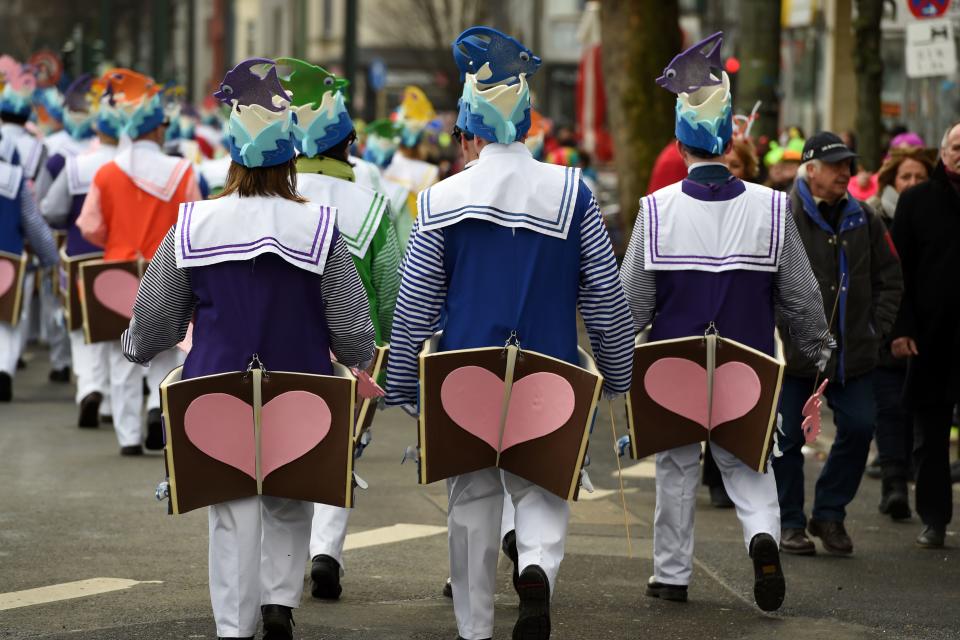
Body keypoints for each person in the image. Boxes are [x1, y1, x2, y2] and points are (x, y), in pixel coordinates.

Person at [386, 27, 633, 640]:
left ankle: (475, 626)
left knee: (471, 499)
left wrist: (398, 382)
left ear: (468, 126)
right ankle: (536, 567)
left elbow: (417, 299)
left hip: (462, 368)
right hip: (550, 363)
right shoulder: (574, 192)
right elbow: (603, 291)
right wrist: (619, 367)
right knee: (543, 483)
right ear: (526, 120)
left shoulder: (440, 198)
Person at [122, 57, 374, 640]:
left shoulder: (192, 224)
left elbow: (155, 318)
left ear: (232, 152)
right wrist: (355, 358)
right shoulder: (321, 227)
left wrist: (137, 349)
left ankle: (234, 629)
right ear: (291, 153)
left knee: (231, 515)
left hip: (215, 386)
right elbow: (352, 328)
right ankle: (280, 605)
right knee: (290, 500)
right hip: (302, 384)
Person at [621, 32, 830, 612]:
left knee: (677, 470)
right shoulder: (772, 205)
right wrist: (818, 348)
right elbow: (799, 294)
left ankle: (671, 575)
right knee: (750, 461)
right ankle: (762, 535)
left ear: (681, 140)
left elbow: (632, 303)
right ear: (727, 137)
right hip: (748, 359)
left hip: (674, 361)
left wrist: (617, 359)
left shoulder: (655, 209)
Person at [278, 56, 402, 601]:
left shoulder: (274, 200)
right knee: (340, 448)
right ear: (348, 145)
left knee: (281, 443)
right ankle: (325, 551)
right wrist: (387, 346)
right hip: (355, 350)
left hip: (282, 342)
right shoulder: (374, 204)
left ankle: (279, 564)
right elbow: (393, 281)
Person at [774, 132, 902, 556]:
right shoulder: (781, 216)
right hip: (796, 356)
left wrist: (874, 329)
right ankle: (791, 522)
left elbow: (890, 279)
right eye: (835, 166)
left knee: (862, 427)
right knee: (788, 439)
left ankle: (829, 513)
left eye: (848, 165)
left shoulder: (865, 218)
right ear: (810, 170)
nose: (845, 173)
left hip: (853, 356)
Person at [76, 68, 201, 455]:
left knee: (121, 356)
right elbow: (194, 222)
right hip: (168, 274)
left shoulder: (106, 173)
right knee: (166, 351)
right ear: (158, 130)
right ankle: (156, 411)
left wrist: (119, 239)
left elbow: (90, 227)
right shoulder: (182, 171)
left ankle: (128, 436)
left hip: (115, 273)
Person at [40, 73, 126, 427]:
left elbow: (50, 209)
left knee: (82, 328)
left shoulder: (77, 164)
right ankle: (110, 403)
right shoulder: (130, 167)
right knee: (119, 328)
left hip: (80, 256)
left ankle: (90, 387)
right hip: (122, 256)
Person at [890, 121, 960, 548]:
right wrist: (901, 330)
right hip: (932, 337)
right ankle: (934, 517)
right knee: (931, 436)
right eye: (956, 147)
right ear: (942, 152)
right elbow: (899, 274)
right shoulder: (916, 202)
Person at [865, 145, 935, 519]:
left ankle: (917, 481)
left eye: (918, 178)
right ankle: (894, 485)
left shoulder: (938, 216)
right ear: (891, 180)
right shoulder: (874, 217)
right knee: (889, 410)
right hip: (885, 330)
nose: (910, 184)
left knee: (921, 415)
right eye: (904, 177)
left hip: (928, 333)